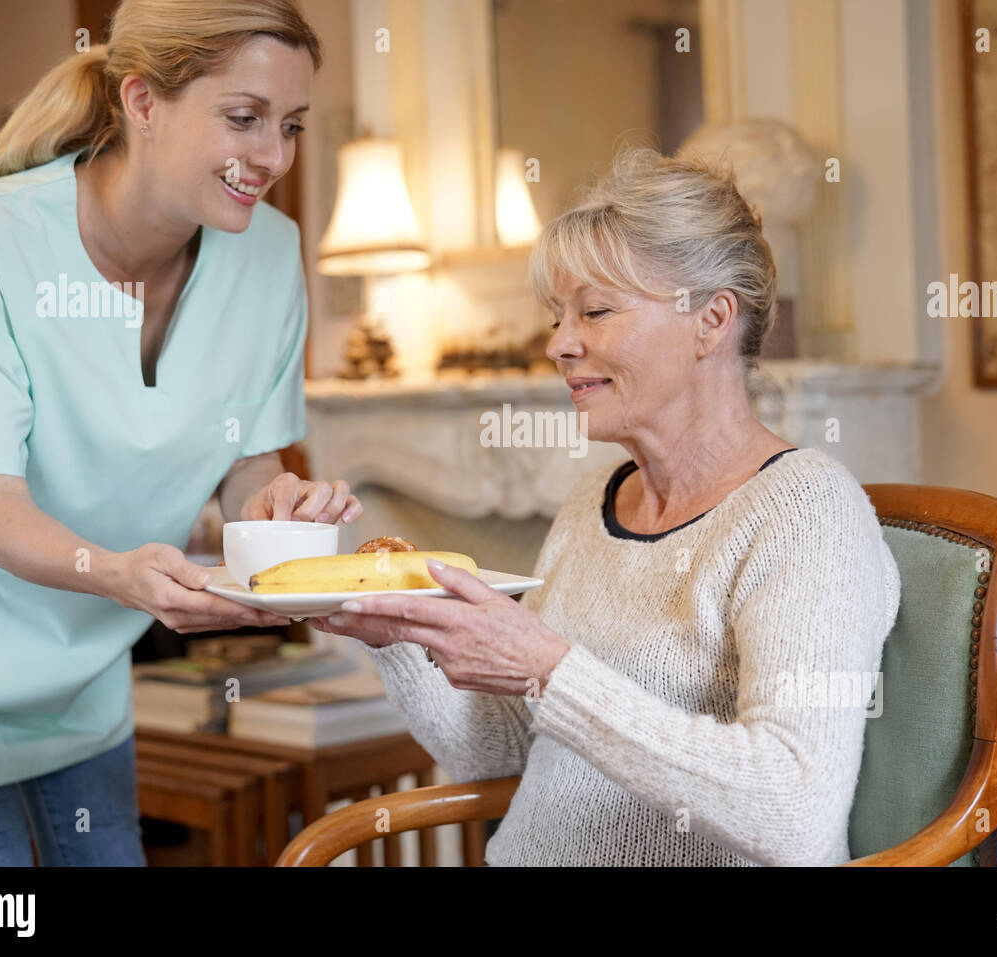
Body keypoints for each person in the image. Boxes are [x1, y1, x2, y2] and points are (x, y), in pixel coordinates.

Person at [313, 145, 902, 866]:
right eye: (558, 315)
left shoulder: (808, 513)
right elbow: (499, 754)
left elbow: (793, 811)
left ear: (712, 321)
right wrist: (397, 632)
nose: (560, 344)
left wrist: (553, 669)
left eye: (594, 310)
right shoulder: (597, 497)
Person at [0, 0, 362, 866]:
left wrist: (279, 513)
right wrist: (119, 575)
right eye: (244, 118)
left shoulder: (267, 255)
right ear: (142, 103)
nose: (273, 157)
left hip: (90, 668)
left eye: (289, 126)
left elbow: (245, 462)